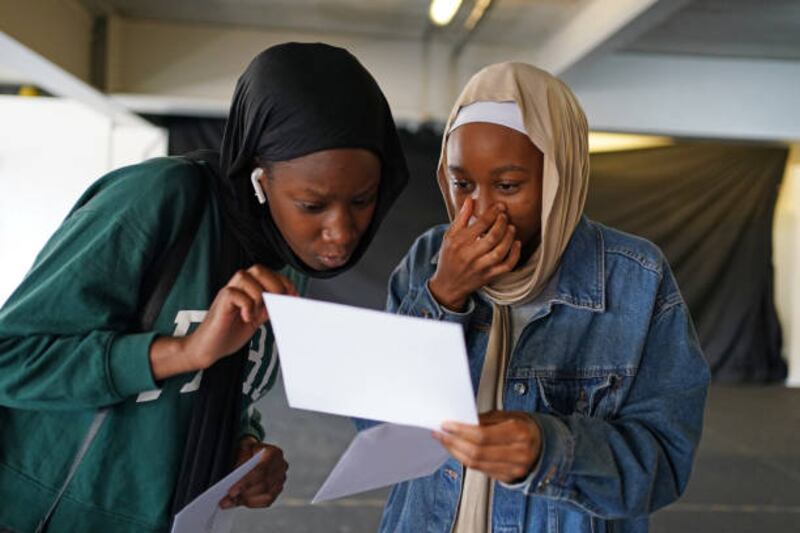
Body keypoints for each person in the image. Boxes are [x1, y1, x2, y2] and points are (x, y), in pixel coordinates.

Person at [0, 42, 408, 533]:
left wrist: (244, 449)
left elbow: (222, 392)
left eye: (362, 200)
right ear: (259, 179)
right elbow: (10, 358)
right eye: (312, 205)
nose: (341, 232)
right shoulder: (158, 201)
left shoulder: (283, 257)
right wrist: (184, 352)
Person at [375, 62, 709, 532]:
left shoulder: (636, 279)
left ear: (560, 176)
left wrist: (548, 449)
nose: (481, 211)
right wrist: (443, 295)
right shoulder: (429, 259)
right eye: (462, 183)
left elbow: (664, 462)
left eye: (508, 186)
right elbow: (379, 427)